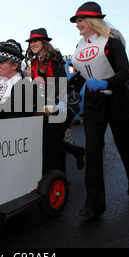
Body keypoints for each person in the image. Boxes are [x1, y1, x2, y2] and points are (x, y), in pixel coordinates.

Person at [69, 1, 129, 220]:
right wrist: (72, 90)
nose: (77, 25)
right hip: (93, 103)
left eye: (80, 20)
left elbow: (124, 72)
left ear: (92, 20)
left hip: (117, 100)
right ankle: (94, 204)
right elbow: (82, 74)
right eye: (76, 21)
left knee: (124, 146)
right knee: (92, 151)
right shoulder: (78, 46)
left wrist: (105, 83)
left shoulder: (111, 40)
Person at [25, 28, 85, 170]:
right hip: (44, 101)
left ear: (44, 42)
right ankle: (77, 152)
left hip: (59, 100)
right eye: (31, 41)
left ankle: (61, 175)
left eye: (36, 41)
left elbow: (61, 82)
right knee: (50, 138)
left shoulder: (55, 56)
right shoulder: (34, 62)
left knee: (53, 137)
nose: (33, 44)